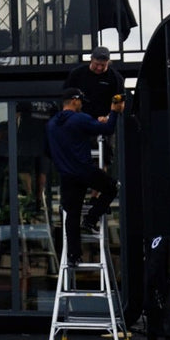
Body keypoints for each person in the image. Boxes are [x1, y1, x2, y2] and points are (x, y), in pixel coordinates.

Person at [45, 87, 124, 263]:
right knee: (112, 188)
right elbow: (108, 129)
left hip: (66, 175)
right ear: (74, 100)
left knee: (72, 215)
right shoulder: (79, 119)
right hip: (84, 170)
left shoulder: (51, 124)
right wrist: (114, 111)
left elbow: (48, 150)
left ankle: (73, 256)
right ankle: (90, 219)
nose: (81, 104)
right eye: (80, 101)